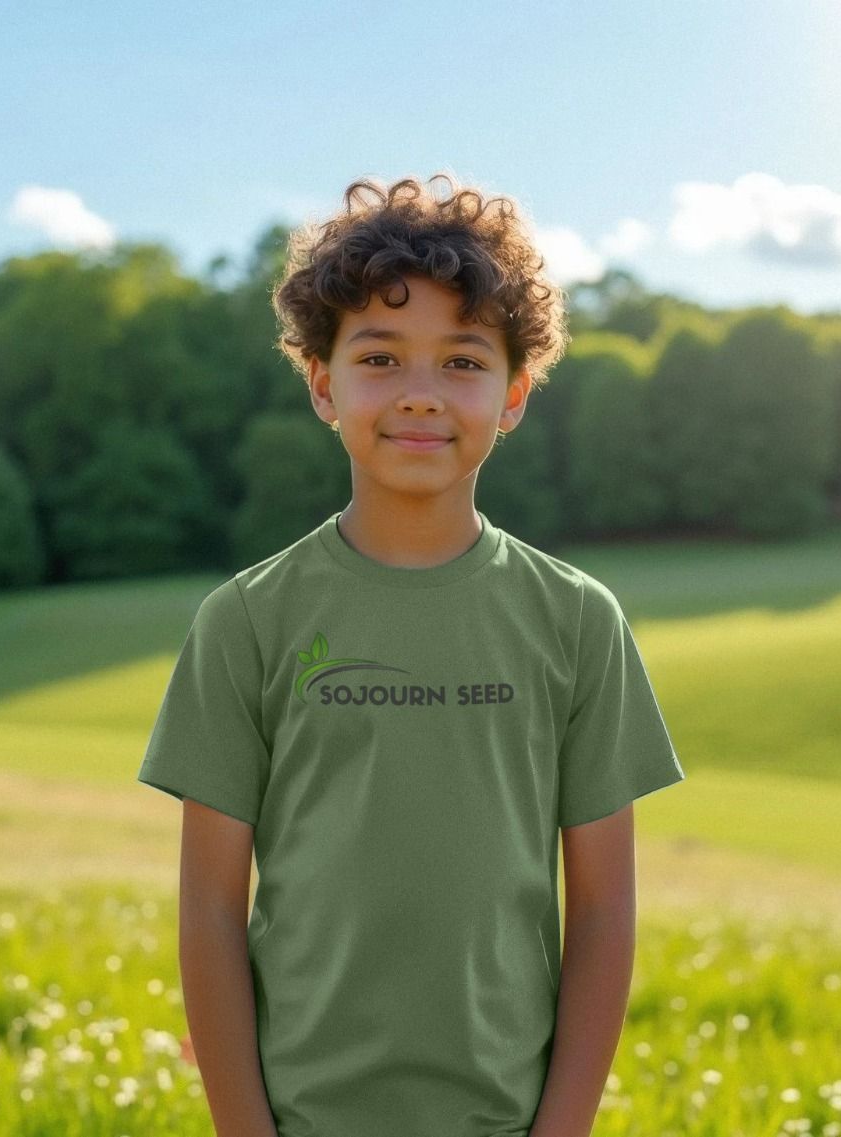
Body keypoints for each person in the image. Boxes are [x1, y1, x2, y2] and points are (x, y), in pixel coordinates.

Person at [137, 174, 685, 1137]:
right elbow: (211, 917)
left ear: (515, 394)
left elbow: (602, 916)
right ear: (323, 385)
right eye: (381, 358)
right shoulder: (246, 621)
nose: (422, 395)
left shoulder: (579, 621)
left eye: (464, 361)